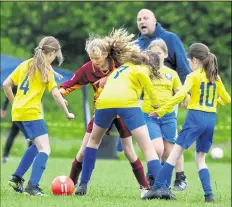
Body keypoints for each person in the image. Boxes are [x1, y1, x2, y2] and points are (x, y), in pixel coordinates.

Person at [76, 28, 174, 200]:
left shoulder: (124, 67)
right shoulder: (142, 70)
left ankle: (83, 184)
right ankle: (160, 188)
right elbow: (149, 89)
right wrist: (157, 107)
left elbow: (102, 84)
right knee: (147, 147)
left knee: (93, 141)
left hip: (104, 102)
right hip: (127, 103)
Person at [59, 31, 150, 197]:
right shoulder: (88, 69)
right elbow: (69, 84)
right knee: (83, 151)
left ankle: (145, 188)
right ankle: (73, 185)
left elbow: (139, 70)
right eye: (91, 58)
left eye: (97, 58)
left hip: (122, 111)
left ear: (106, 54)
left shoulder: (120, 63)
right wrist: (60, 94)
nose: (95, 62)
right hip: (102, 110)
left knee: (129, 150)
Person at [142, 43, 231, 202]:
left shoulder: (193, 76)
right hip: (210, 119)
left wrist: (161, 110)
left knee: (174, 154)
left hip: (196, 117)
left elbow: (179, 96)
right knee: (201, 158)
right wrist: (214, 101)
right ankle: (209, 195)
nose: (189, 65)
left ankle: (157, 188)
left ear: (195, 60)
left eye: (189, 61)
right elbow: (227, 99)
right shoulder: (215, 76)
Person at [3, 36, 75, 196]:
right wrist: (67, 113)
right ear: (53, 52)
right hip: (31, 113)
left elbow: (6, 84)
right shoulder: (46, 69)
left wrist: (15, 103)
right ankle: (32, 186)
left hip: (18, 113)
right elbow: (56, 94)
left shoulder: (26, 64)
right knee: (45, 149)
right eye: (55, 55)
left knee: (36, 146)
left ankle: (16, 177)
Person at [135, 8, 191, 190]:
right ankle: (155, 180)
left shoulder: (170, 38)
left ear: (154, 20)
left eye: (145, 18)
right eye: (139, 19)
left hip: (169, 100)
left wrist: (186, 93)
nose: (142, 21)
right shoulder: (136, 44)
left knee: (170, 143)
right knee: (157, 146)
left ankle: (179, 178)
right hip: (146, 103)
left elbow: (182, 66)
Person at [142, 39, 190, 188]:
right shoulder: (145, 72)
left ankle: (163, 185)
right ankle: (150, 179)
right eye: (153, 53)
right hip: (150, 115)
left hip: (168, 117)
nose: (156, 56)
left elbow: (179, 90)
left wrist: (186, 97)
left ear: (165, 54)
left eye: (159, 53)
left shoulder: (172, 74)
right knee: (157, 148)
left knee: (168, 153)